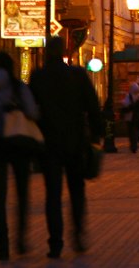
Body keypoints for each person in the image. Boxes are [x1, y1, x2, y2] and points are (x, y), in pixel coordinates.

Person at [29, 37, 103, 258]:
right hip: (75, 143)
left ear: (45, 53)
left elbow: (31, 109)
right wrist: (96, 136)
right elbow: (93, 106)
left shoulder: (38, 77)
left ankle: (55, 243)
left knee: (52, 195)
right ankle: (78, 234)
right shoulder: (77, 75)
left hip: (49, 144)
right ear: (64, 52)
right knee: (77, 192)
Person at [0, 51, 38, 261]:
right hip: (18, 142)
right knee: (22, 194)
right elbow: (32, 112)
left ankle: (3, 246)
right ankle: (20, 239)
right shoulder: (17, 86)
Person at [121, 82, 139, 154]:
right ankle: (134, 145)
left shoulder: (129, 96)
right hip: (136, 117)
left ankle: (133, 145)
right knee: (135, 132)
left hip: (129, 117)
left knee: (131, 132)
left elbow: (124, 104)